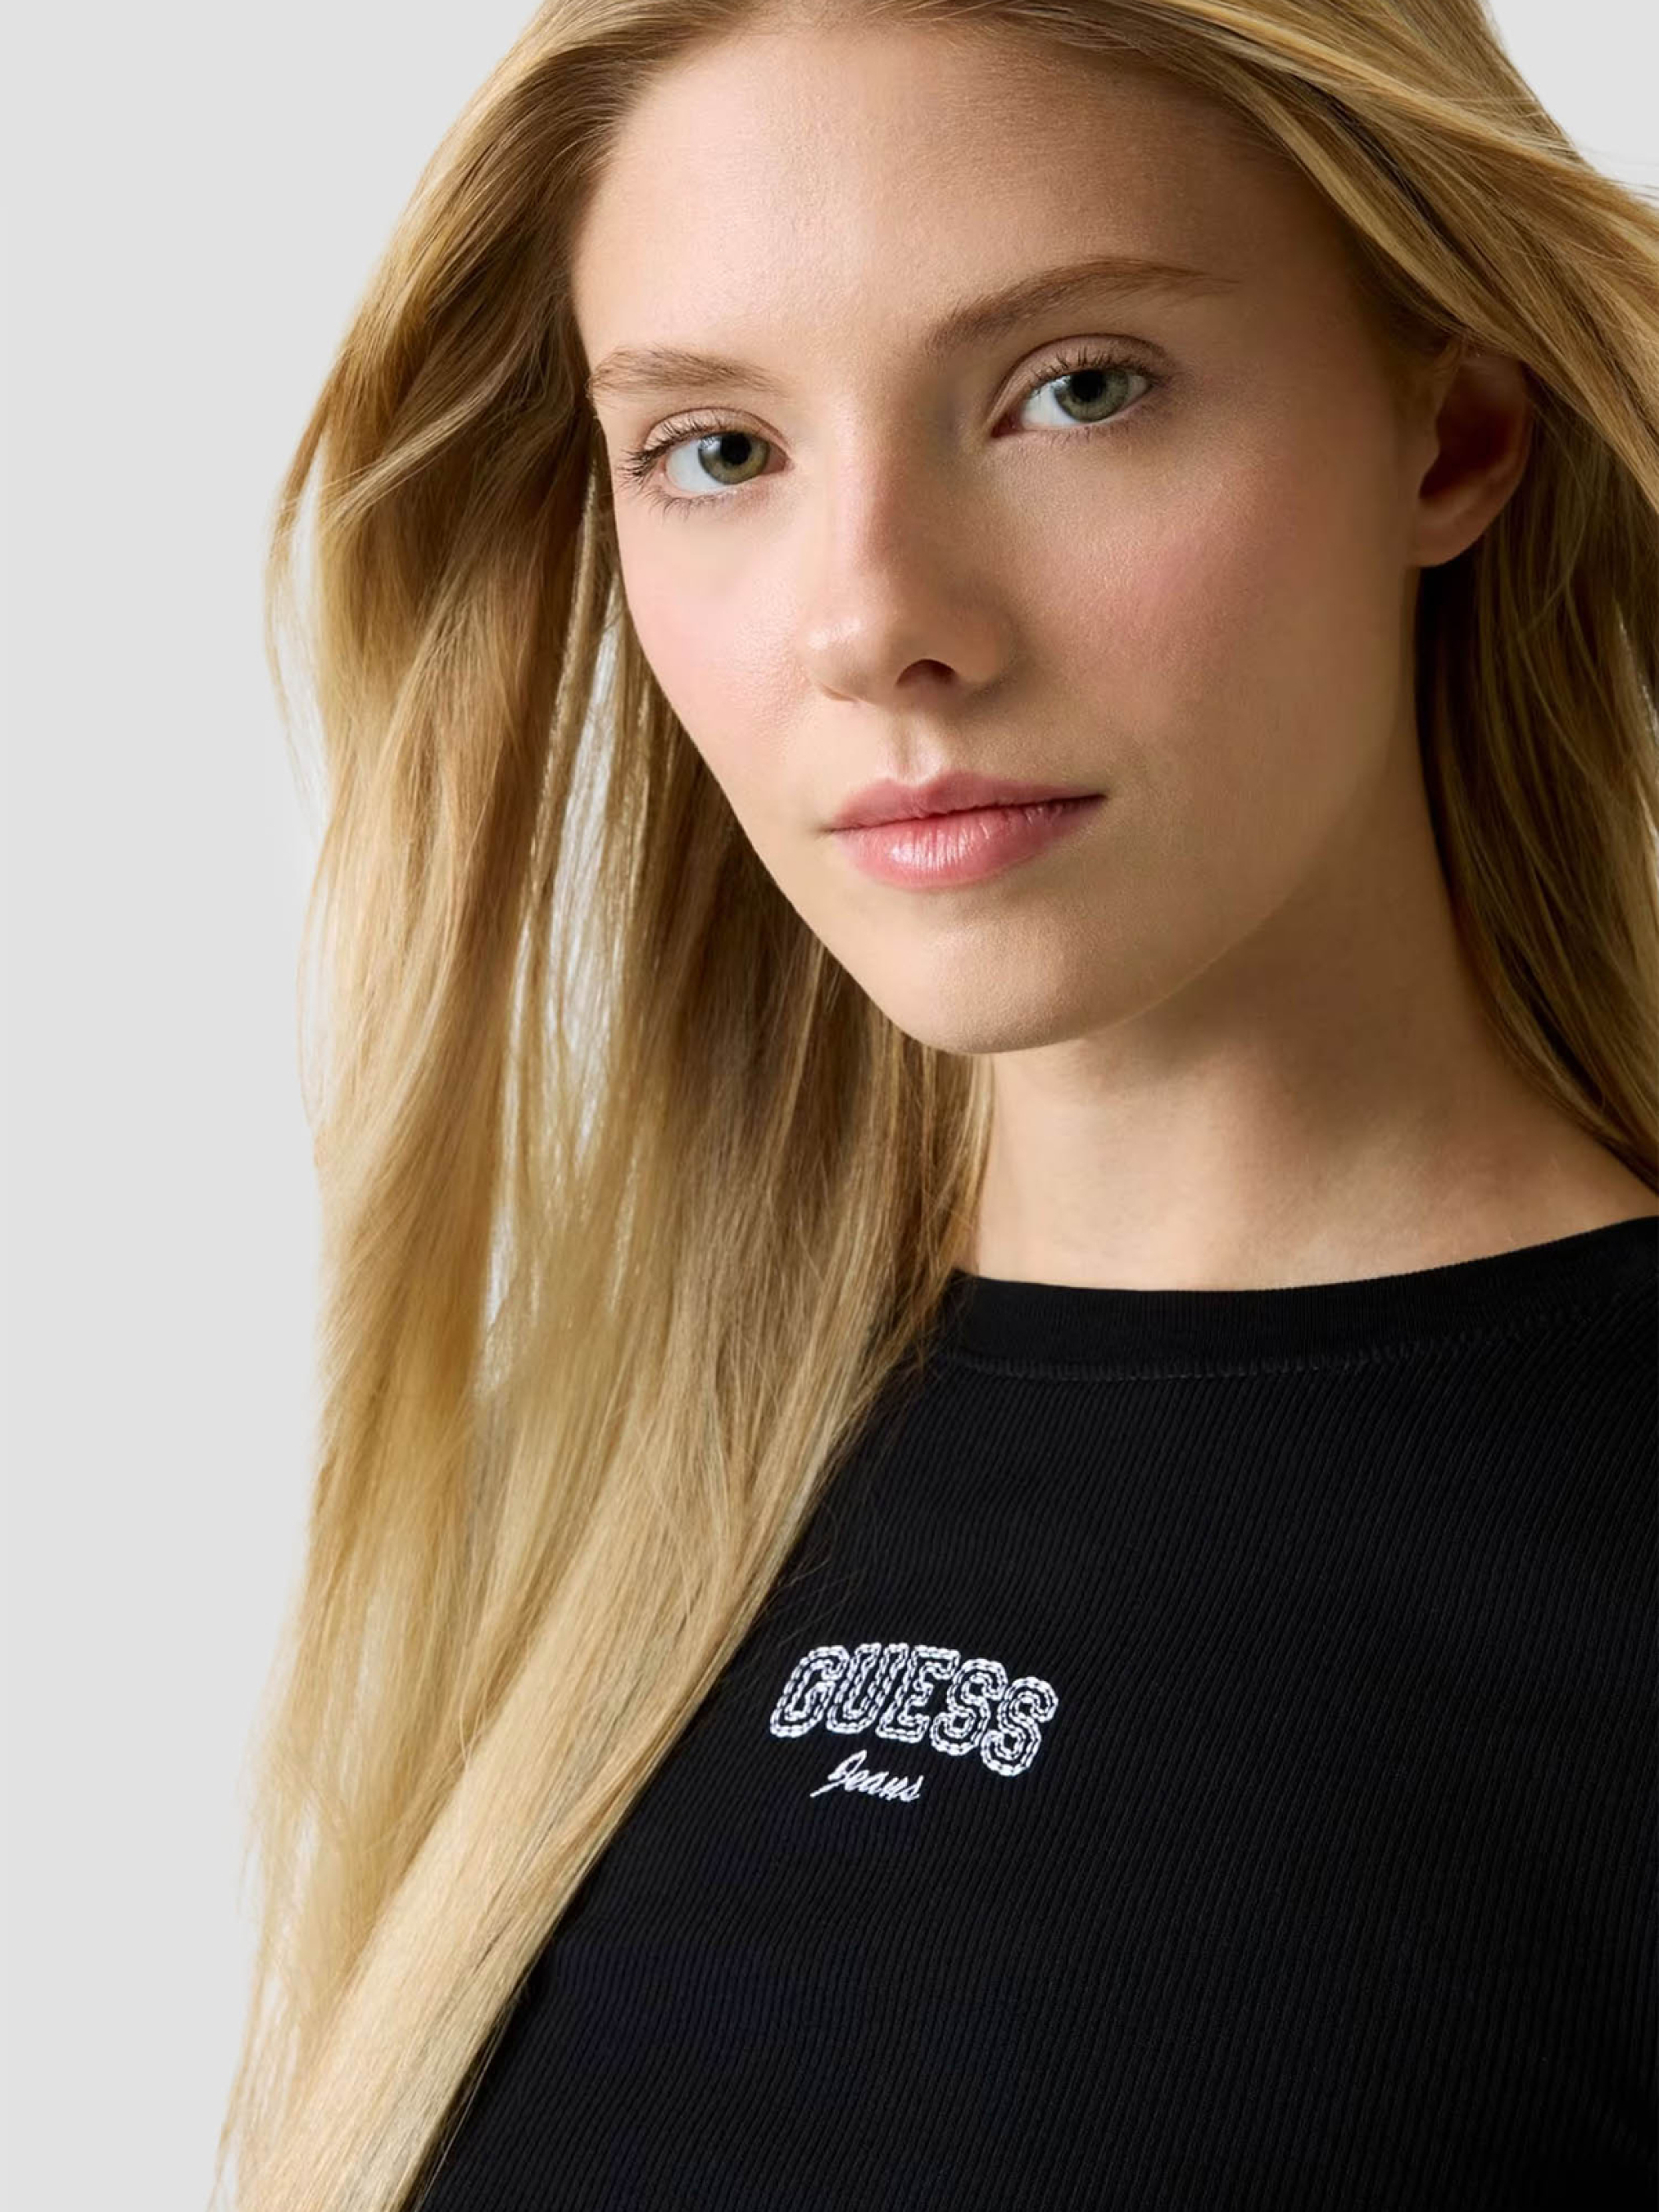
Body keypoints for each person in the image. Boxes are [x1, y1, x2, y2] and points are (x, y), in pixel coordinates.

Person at [213, 2, 1659, 2208]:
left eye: (1079, 388)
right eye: (718, 449)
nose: (875, 622)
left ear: (1452, 436)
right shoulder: (608, 1541)